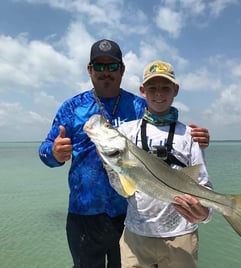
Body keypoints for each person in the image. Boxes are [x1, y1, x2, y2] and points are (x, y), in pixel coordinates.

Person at [38, 39, 210, 268]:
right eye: (99, 66)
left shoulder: (140, 106)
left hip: (128, 216)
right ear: (90, 70)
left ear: (122, 70)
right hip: (84, 214)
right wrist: (54, 153)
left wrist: (197, 137)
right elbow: (45, 150)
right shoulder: (72, 107)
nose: (106, 72)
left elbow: (167, 128)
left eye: (112, 66)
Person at [110, 60, 213, 268]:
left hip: (182, 235)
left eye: (165, 88)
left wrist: (206, 215)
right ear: (142, 90)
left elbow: (203, 185)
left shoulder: (190, 135)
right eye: (152, 88)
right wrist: (110, 165)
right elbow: (122, 189)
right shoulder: (126, 134)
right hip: (136, 235)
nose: (158, 94)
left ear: (175, 90)